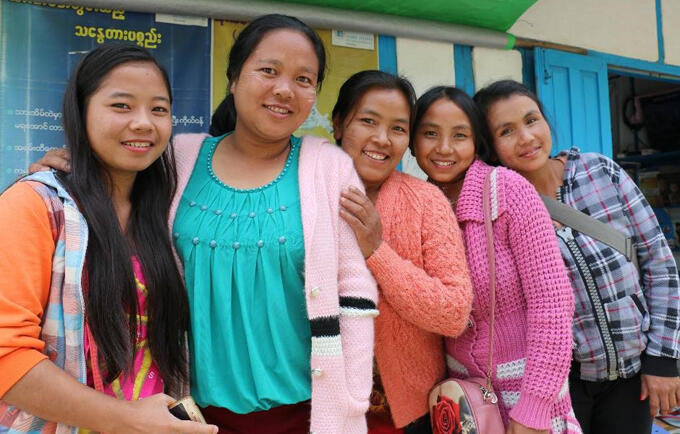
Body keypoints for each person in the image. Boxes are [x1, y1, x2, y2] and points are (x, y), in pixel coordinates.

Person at [0, 44, 217, 433]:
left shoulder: (167, 216)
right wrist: (127, 420)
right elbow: (6, 354)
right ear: (80, 112)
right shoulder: (34, 206)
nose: (143, 123)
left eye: (159, 109)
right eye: (121, 106)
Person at [474, 80, 680, 434]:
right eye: (506, 131)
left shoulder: (600, 172)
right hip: (560, 388)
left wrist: (663, 358)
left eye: (531, 120)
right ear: (490, 147)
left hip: (633, 379)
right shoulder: (498, 209)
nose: (526, 137)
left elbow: (659, 265)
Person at [412, 86, 581, 434]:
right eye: (430, 134)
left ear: (477, 142)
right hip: (466, 405)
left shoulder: (507, 190)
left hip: (532, 402)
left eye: (460, 135)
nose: (444, 148)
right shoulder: (419, 205)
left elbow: (552, 304)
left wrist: (533, 411)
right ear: (413, 143)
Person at [332, 71, 473, 434]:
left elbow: (454, 312)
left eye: (398, 128)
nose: (382, 139)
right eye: (367, 121)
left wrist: (377, 252)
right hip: (319, 407)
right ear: (338, 123)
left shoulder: (426, 203)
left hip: (407, 415)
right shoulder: (306, 194)